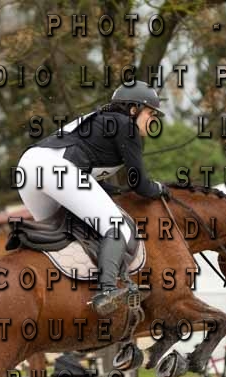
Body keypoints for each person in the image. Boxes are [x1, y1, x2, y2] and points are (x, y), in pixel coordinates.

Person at [16, 81, 172, 316]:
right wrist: (160, 188)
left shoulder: (102, 120)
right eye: (151, 113)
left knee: (60, 236)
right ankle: (107, 290)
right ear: (134, 109)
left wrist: (116, 191)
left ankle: (57, 298)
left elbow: (89, 174)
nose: (153, 119)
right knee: (117, 228)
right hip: (56, 170)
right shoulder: (126, 126)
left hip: (28, 169)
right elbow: (139, 184)